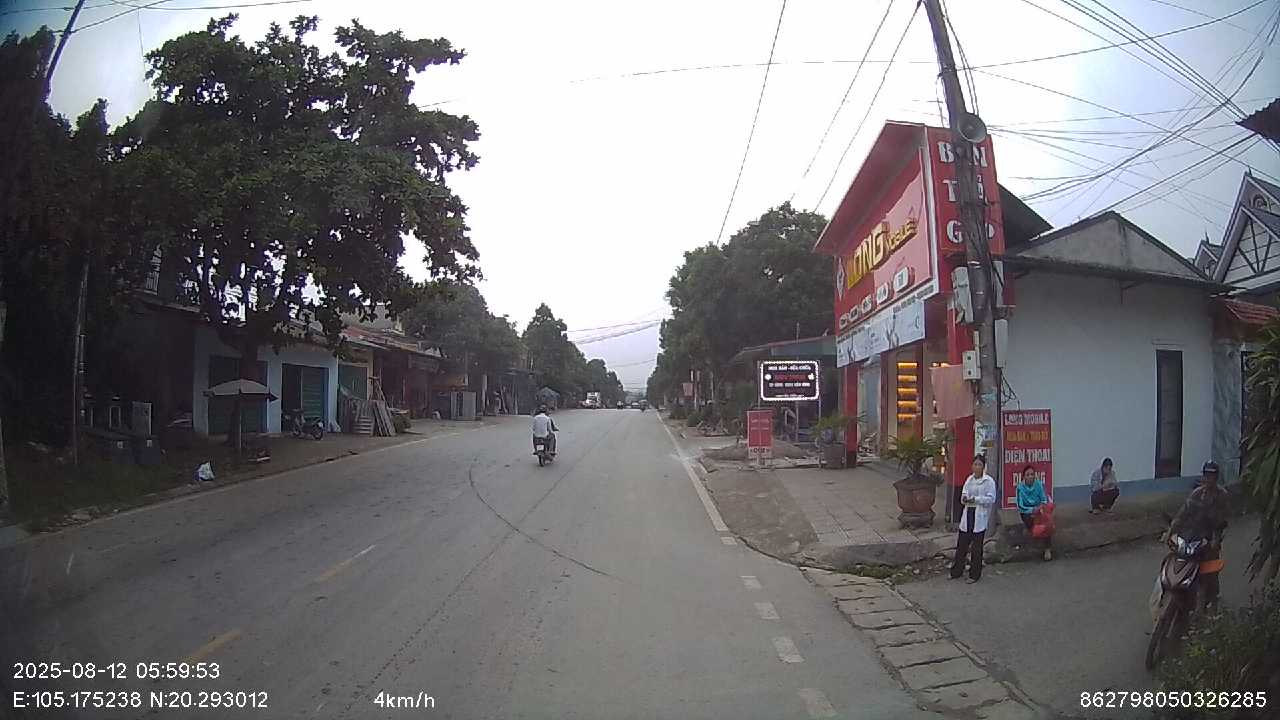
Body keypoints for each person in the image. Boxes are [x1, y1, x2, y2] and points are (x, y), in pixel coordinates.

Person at [1168, 461, 1229, 608]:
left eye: (1212, 476)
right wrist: (1170, 531)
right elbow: (1183, 513)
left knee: (1210, 570)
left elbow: (1222, 520)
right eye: (1206, 475)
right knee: (1180, 559)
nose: (1208, 479)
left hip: (1210, 537)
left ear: (1216, 477)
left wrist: (1216, 540)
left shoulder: (1222, 495)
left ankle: (1213, 601)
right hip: (1194, 536)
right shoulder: (1197, 493)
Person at [951, 455, 997, 583]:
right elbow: (964, 494)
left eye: (979, 465)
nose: (977, 467)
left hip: (979, 515)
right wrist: (965, 498)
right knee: (962, 546)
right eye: (975, 464)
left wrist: (976, 499)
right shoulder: (969, 479)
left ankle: (974, 574)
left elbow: (991, 499)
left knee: (976, 549)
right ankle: (956, 571)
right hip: (968, 514)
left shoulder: (989, 481)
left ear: (983, 467)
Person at [1016, 465, 1053, 561]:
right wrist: (1032, 510)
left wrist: (1040, 508)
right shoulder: (1020, 488)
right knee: (1031, 521)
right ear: (1024, 477)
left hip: (1039, 510)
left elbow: (1044, 499)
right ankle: (1035, 533)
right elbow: (1020, 506)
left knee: (1047, 523)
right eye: (1028, 475)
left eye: (1032, 474)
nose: (1030, 477)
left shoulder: (1039, 484)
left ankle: (1047, 549)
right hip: (1026, 512)